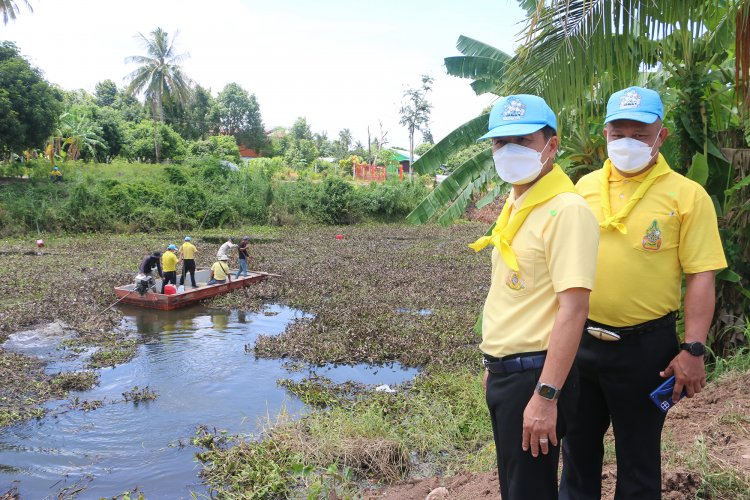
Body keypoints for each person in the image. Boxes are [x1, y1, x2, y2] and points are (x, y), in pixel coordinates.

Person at [560, 87, 727, 500]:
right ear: (605, 134)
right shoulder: (582, 189)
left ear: (661, 136)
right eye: (619, 133)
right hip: (580, 343)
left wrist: (693, 349)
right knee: (576, 453)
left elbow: (701, 275)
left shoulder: (687, 195)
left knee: (638, 461)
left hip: (646, 351)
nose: (628, 142)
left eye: (640, 133)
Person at [472, 94, 600, 499]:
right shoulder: (518, 201)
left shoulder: (566, 210)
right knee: (517, 486)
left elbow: (574, 308)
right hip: (509, 374)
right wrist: (495, 363)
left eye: (522, 141)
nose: (508, 151)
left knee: (530, 491)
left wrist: (545, 396)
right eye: (499, 142)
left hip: (537, 377)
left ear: (551, 145)